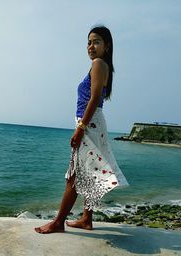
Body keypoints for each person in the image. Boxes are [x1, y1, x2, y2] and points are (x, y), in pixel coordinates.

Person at [34, 25, 129, 234]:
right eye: (88, 42)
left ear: (107, 46)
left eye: (96, 41)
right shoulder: (103, 65)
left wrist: (80, 128)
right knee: (90, 172)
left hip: (90, 123)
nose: (91, 46)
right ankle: (86, 218)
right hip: (95, 122)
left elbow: (94, 99)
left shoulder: (98, 64)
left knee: (75, 176)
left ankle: (58, 222)